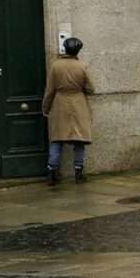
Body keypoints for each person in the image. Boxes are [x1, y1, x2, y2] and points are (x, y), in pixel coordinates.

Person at [42, 36, 96, 187]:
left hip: (59, 104)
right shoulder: (82, 66)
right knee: (80, 140)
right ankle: (79, 172)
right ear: (77, 50)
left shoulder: (55, 66)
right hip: (78, 104)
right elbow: (91, 88)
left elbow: (50, 90)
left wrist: (46, 108)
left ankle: (52, 172)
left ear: (65, 49)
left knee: (57, 139)